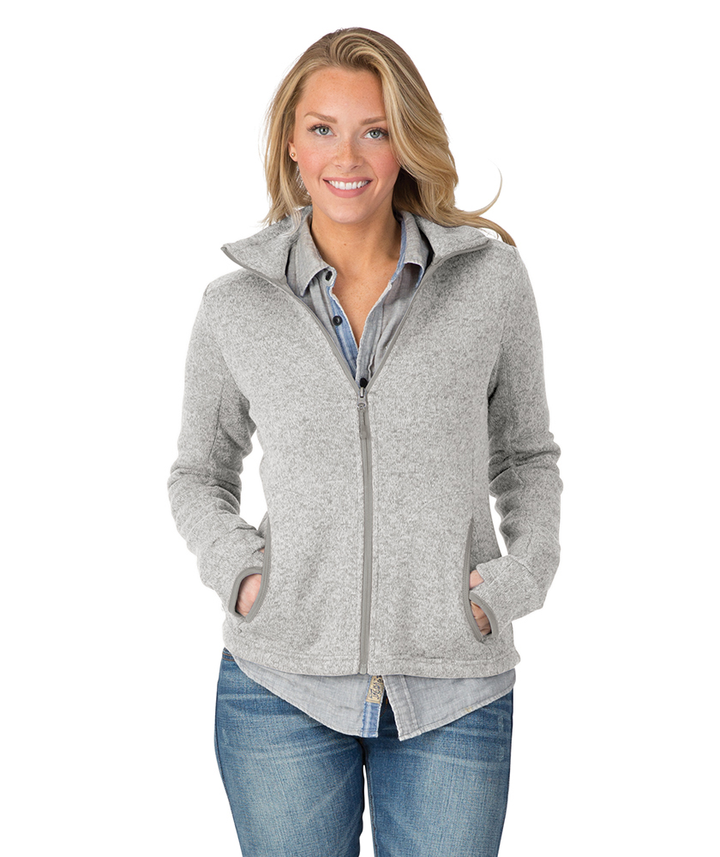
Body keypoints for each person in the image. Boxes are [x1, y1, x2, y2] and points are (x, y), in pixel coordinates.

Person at [168, 27, 561, 857]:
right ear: (291, 143)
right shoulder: (236, 305)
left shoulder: (489, 281)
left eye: (374, 130)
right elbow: (199, 472)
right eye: (323, 128)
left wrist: (518, 578)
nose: (347, 156)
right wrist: (244, 576)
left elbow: (526, 455)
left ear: (405, 142)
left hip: (454, 685)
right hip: (279, 685)